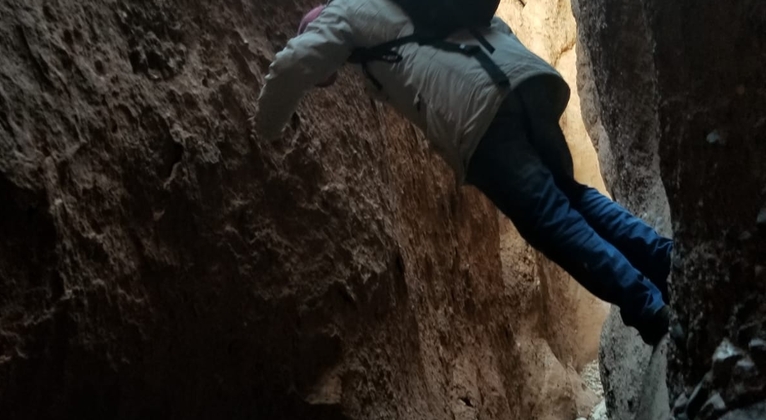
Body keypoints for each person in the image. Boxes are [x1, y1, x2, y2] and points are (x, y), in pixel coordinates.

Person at [255, 0, 673, 345]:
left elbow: (292, 66)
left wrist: (263, 134)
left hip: (479, 115)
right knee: (573, 196)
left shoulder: (343, 13)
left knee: (551, 220)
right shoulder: (409, 6)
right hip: (526, 81)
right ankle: (665, 260)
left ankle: (645, 304)